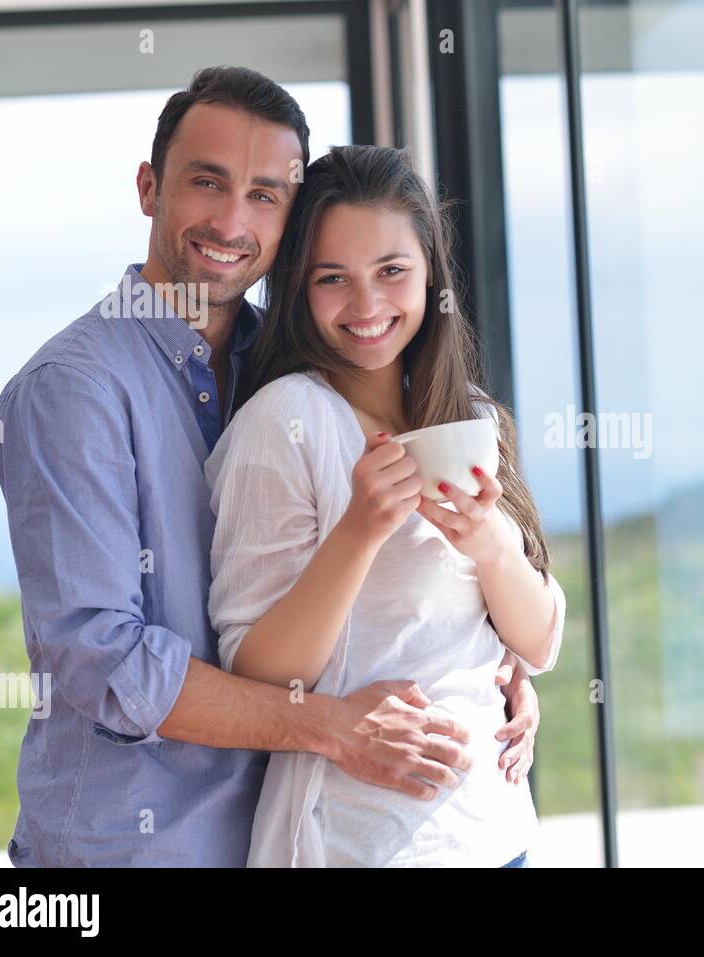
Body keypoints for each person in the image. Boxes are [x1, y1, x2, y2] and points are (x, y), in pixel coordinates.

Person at [0, 66, 540, 867]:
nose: (231, 219)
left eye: (265, 195)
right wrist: (331, 725)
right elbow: (103, 661)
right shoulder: (72, 391)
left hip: (281, 836)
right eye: (206, 182)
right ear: (149, 188)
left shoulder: (285, 362)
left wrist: (491, 663)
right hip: (125, 851)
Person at [207, 144, 565, 867]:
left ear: (431, 273)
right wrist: (361, 529)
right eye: (332, 278)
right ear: (299, 290)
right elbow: (259, 672)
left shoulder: (474, 418)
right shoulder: (285, 422)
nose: (367, 306)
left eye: (392, 272)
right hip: (357, 841)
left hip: (497, 832)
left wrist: (492, 544)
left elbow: (539, 643)